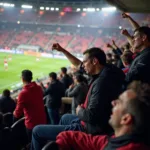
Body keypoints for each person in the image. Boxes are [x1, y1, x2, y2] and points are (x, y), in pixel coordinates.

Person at [30, 44, 125, 150]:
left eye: (85, 62)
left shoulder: (101, 83)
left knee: (36, 131)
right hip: (98, 122)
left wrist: (79, 110)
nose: (83, 65)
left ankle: (61, 142)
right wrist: (63, 50)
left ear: (94, 61)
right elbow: (79, 65)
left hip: (90, 128)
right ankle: (59, 145)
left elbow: (91, 116)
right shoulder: (108, 70)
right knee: (65, 117)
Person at [54, 82, 150, 150]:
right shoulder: (117, 139)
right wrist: (60, 142)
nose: (113, 102)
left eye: (119, 102)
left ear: (126, 119)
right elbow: (88, 140)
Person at [13, 70, 47, 141]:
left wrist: (14, 113)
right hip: (42, 120)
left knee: (34, 144)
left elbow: (17, 113)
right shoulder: (38, 88)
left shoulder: (23, 93)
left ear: (22, 78)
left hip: (32, 124)